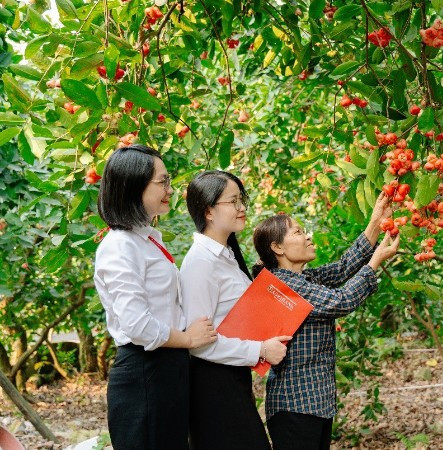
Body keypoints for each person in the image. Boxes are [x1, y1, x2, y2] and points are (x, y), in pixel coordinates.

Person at [252, 193, 400, 450]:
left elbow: (343, 268)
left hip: (315, 403)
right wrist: (376, 261)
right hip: (295, 407)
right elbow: (341, 301)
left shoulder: (303, 279)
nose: (308, 236)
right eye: (298, 232)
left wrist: (376, 221)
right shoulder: (284, 286)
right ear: (278, 247)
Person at [94, 144, 217, 450]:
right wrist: (188, 339)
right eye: (162, 182)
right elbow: (137, 325)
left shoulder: (145, 240)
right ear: (134, 185)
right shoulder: (120, 246)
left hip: (167, 369)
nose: (170, 190)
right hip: (145, 373)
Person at [180, 170, 293, 449]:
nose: (242, 207)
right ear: (209, 211)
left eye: (241, 199)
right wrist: (261, 351)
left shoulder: (226, 256)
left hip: (233, 379)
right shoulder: (200, 263)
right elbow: (199, 345)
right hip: (212, 386)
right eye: (233, 201)